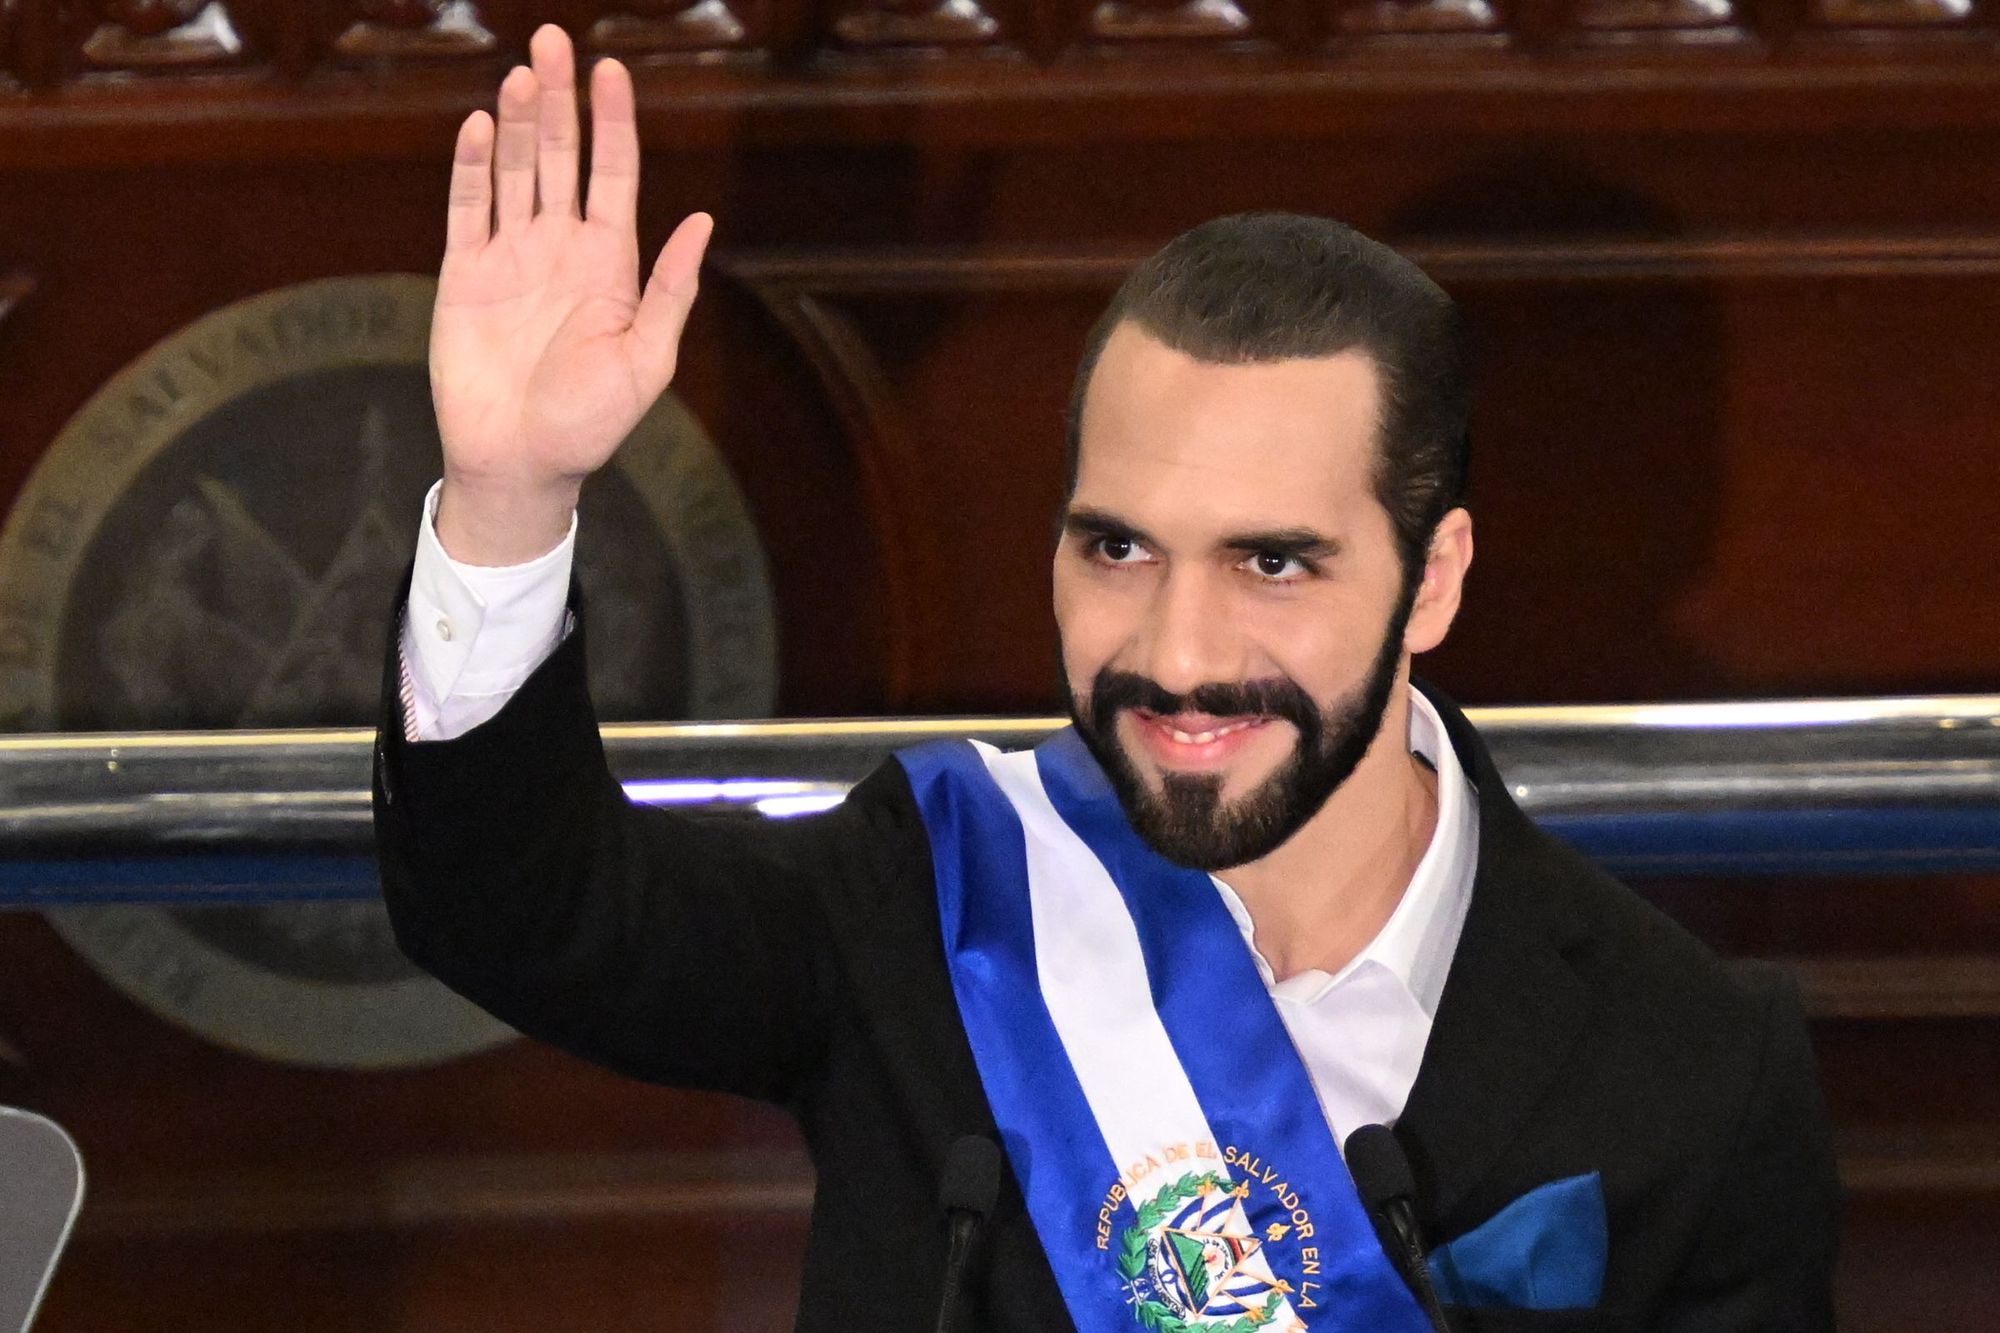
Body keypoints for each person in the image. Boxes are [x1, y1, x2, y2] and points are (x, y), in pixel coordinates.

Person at [374, 24, 1840, 1332]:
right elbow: (521, 911)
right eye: (1119, 549)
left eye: (1273, 564)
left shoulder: (1696, 1068)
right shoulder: (937, 894)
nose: (1179, 656)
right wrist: (512, 500)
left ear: (1435, 578)